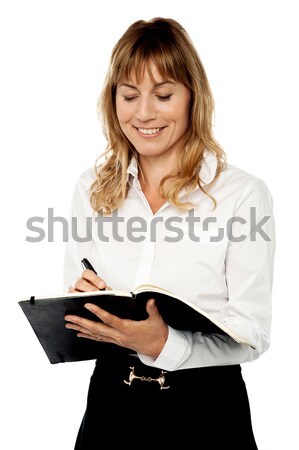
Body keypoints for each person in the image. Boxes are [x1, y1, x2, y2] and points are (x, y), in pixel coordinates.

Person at [63, 17, 275, 450]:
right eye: (129, 95)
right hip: (109, 405)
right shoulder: (91, 188)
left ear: (192, 98)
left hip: (206, 411)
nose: (143, 114)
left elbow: (253, 334)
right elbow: (73, 310)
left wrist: (165, 344)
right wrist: (83, 307)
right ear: (113, 101)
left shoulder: (243, 195)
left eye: (163, 95)